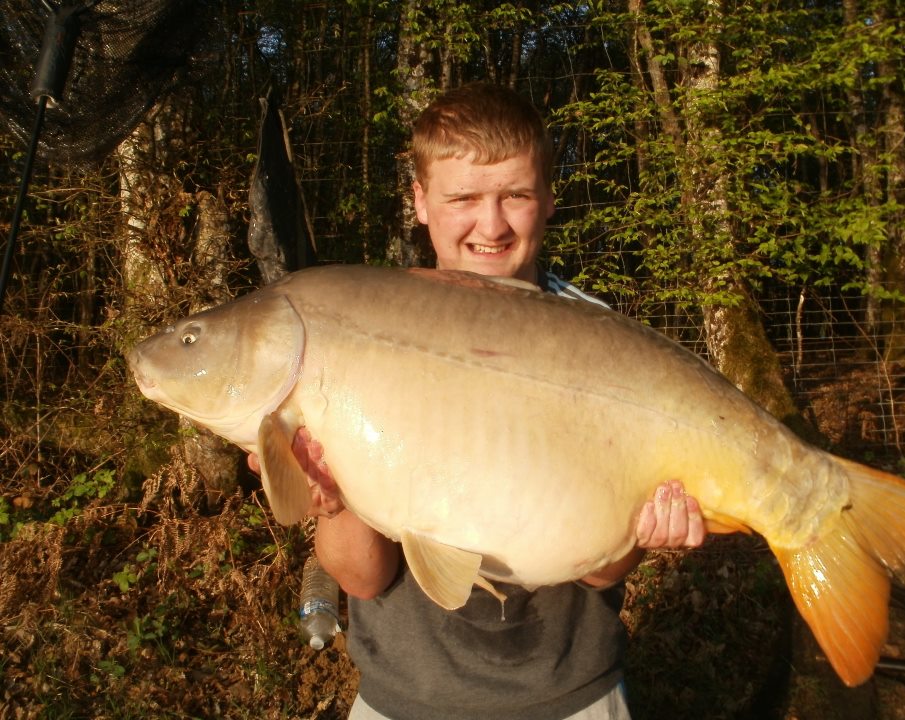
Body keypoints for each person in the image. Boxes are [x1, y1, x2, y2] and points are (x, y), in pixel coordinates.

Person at [250, 82, 705, 720]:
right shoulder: (355, 327)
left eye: (515, 195)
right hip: (399, 699)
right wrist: (330, 500)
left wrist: (642, 532)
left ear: (548, 199)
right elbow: (362, 579)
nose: (490, 226)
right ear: (420, 201)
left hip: (570, 695)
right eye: (462, 197)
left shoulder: (603, 342)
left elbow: (599, 574)